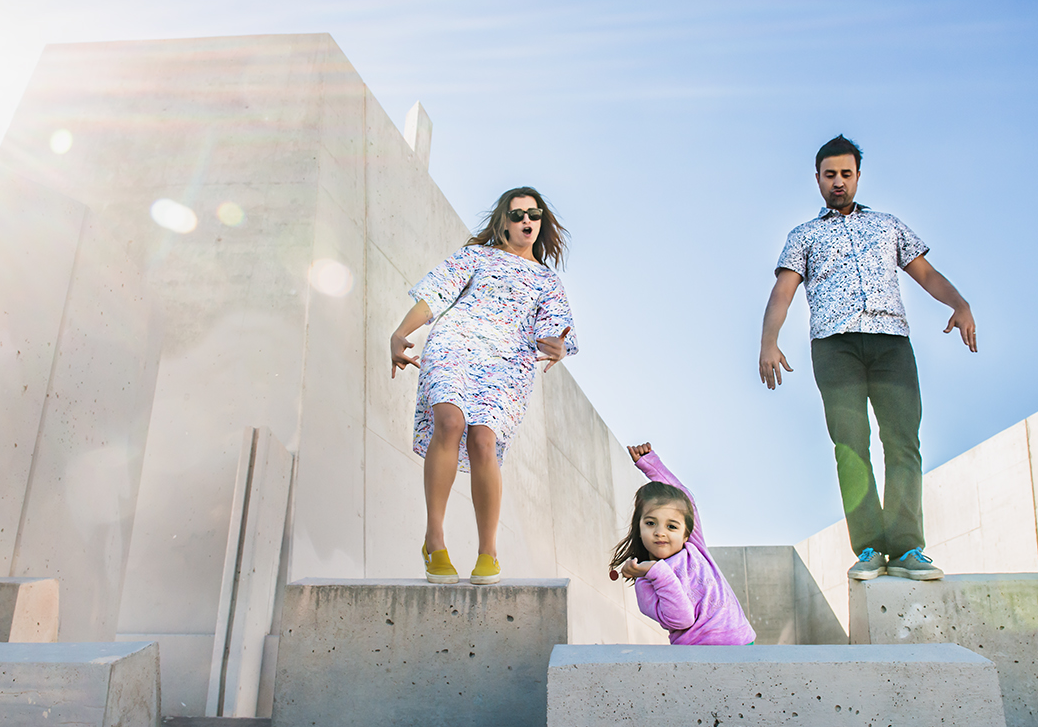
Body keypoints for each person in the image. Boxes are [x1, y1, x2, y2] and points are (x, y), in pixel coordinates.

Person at [758, 135, 976, 582]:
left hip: (891, 342)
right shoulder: (804, 235)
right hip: (834, 347)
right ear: (817, 178)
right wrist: (769, 341)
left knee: (902, 442)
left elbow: (926, 273)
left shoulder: (888, 225)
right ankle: (871, 548)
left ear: (857, 176)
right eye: (829, 175)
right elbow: (783, 291)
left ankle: (908, 547)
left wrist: (960, 304)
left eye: (846, 174)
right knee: (851, 446)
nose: (838, 182)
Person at [391, 186, 577, 585]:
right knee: (450, 422)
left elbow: (553, 335)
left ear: (541, 223)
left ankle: (487, 551)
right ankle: (435, 540)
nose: (526, 220)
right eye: (517, 214)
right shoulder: (477, 256)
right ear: (503, 223)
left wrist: (557, 347)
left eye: (534, 214)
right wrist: (400, 333)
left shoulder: (548, 281)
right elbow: (435, 295)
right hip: (455, 343)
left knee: (483, 442)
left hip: (507, 361)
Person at [610, 443, 756, 645]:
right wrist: (655, 570)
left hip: (741, 642)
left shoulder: (694, 547)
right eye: (651, 523)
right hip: (698, 655)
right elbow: (680, 619)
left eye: (671, 526)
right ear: (639, 529)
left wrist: (650, 464)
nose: (660, 532)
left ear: (686, 533)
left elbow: (684, 499)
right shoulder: (645, 584)